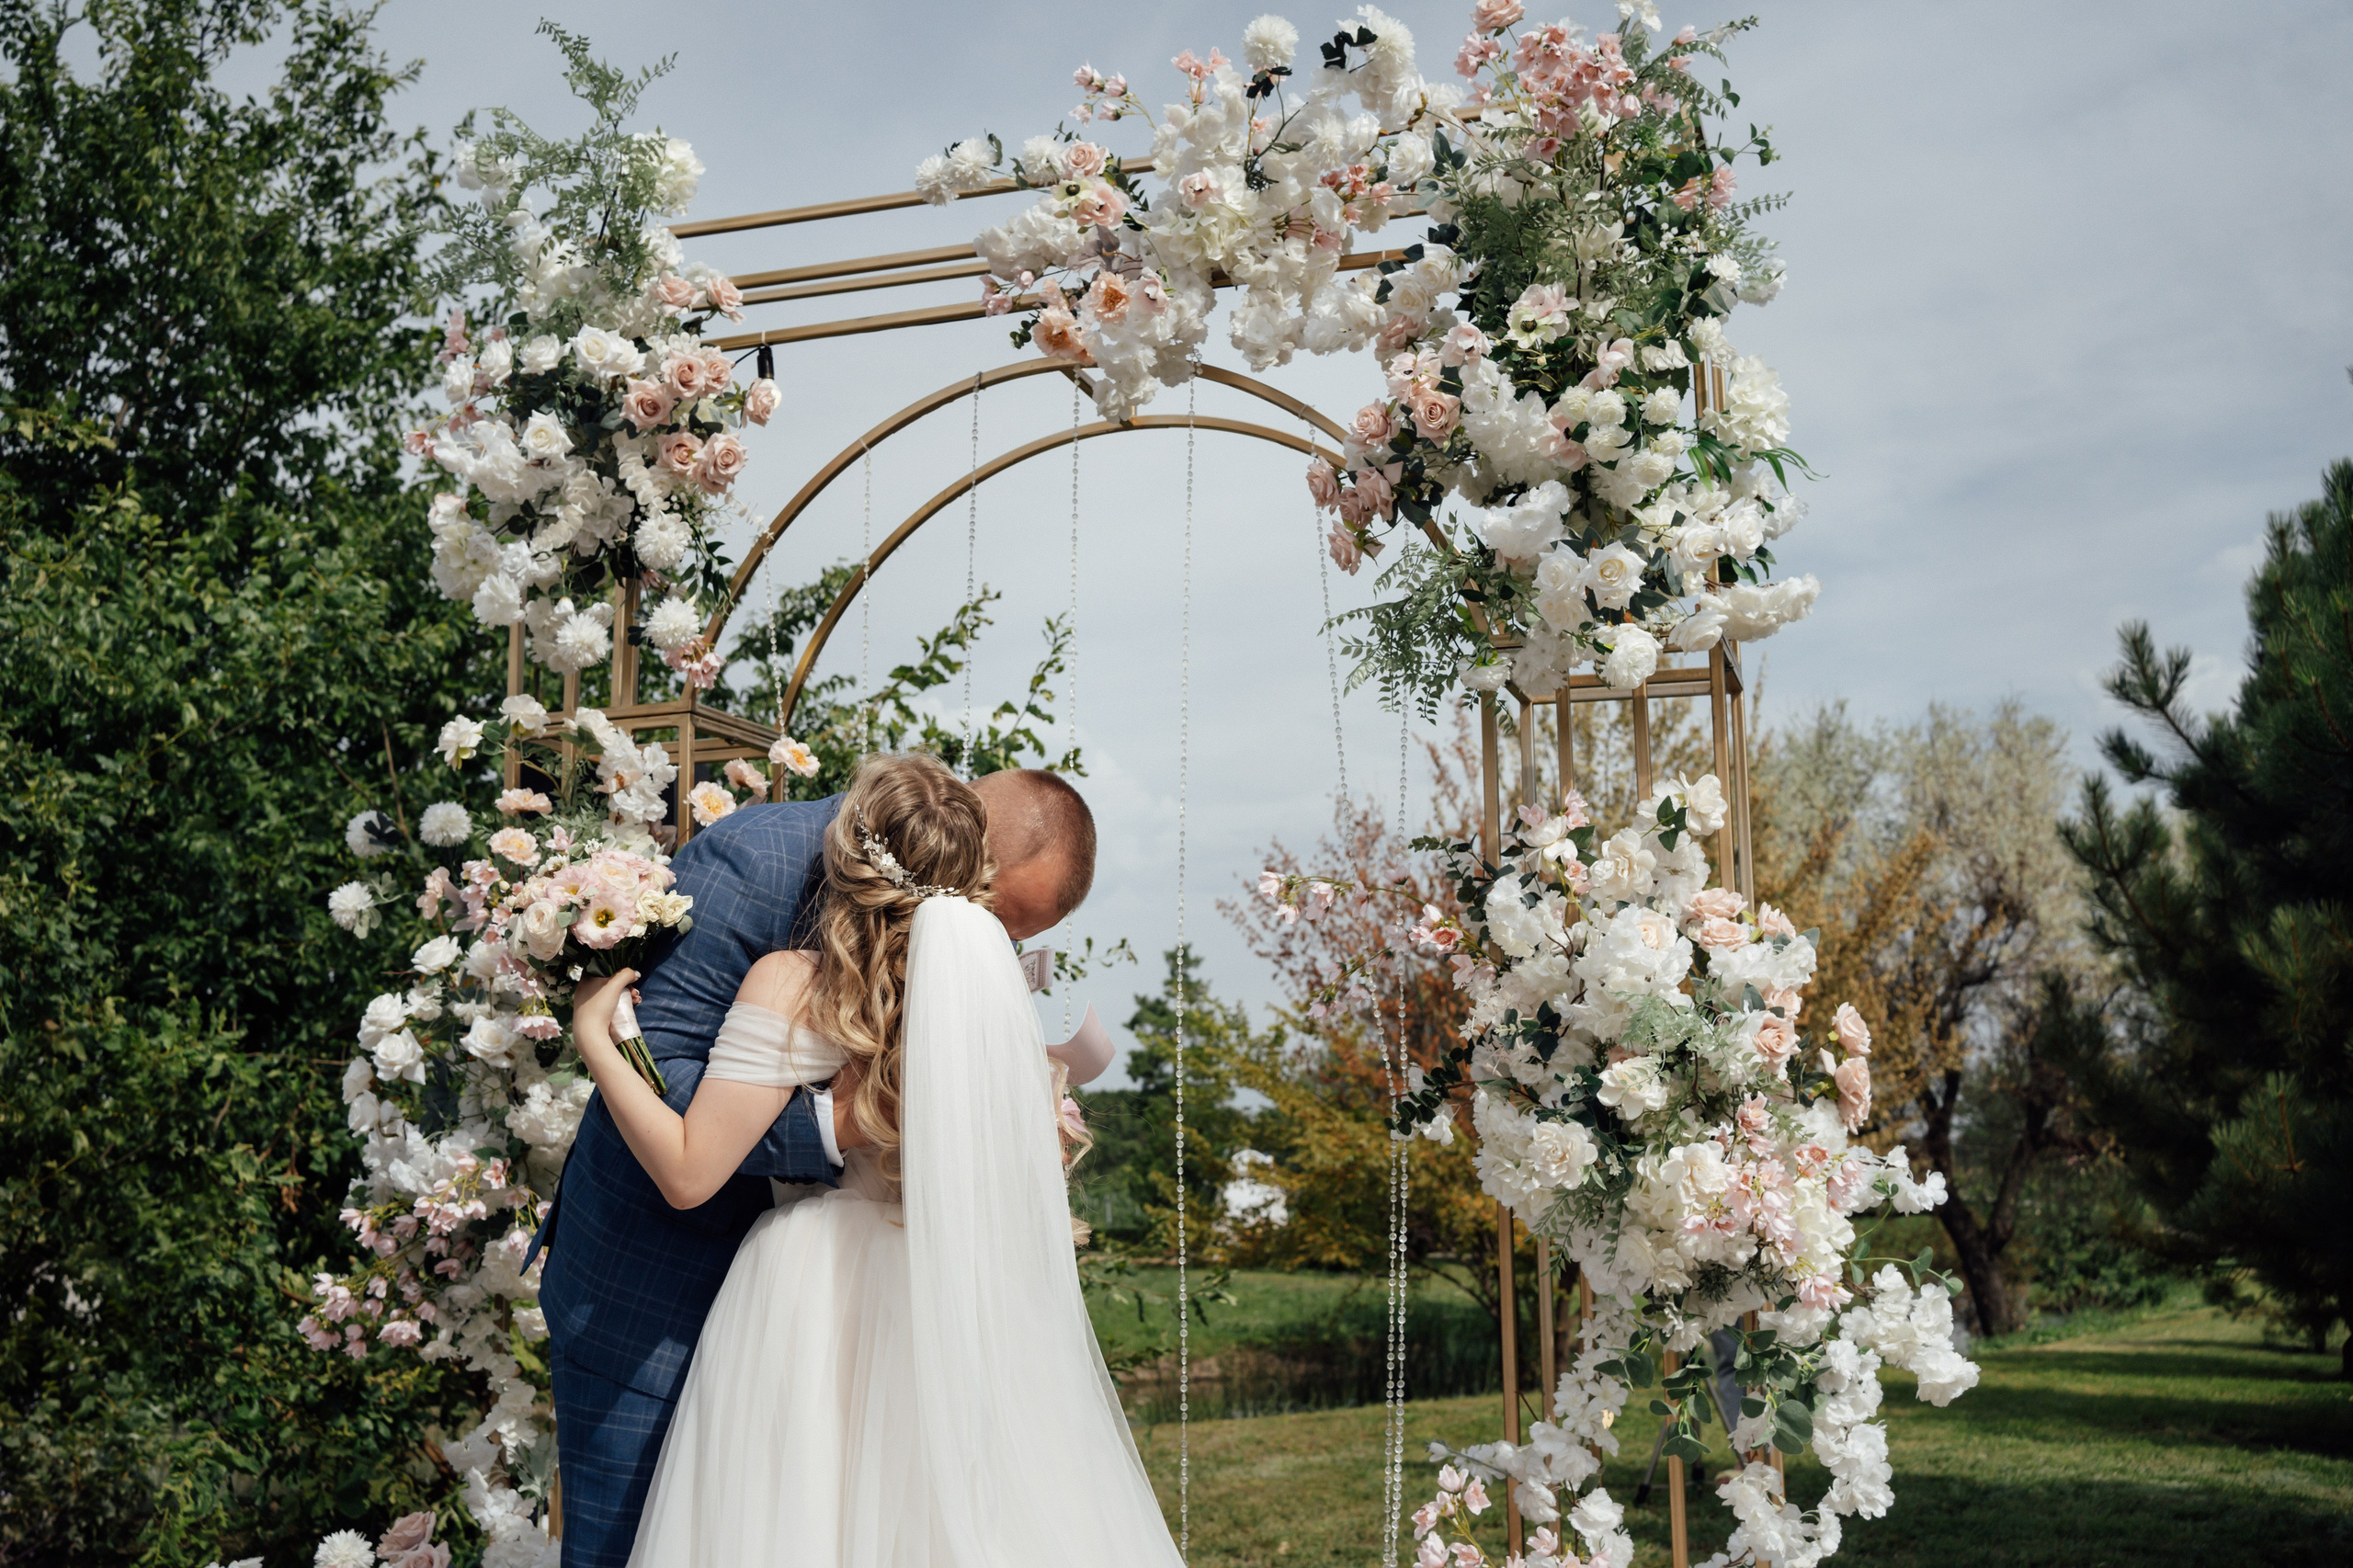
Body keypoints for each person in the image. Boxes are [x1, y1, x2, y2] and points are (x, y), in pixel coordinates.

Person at [567, 755, 1180, 1566]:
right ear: (969, 863)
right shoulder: (769, 874)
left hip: (805, 1297)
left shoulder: (795, 984)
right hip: (920, 1296)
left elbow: (689, 1166)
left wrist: (593, 1036)